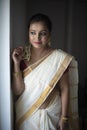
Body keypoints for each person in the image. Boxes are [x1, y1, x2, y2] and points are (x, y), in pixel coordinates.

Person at [12, 13, 79, 130]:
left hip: (52, 115)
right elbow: (18, 91)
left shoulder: (59, 59)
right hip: (27, 116)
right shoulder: (23, 57)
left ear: (49, 35)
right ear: (28, 33)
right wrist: (16, 64)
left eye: (42, 33)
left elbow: (65, 88)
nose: (37, 38)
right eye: (33, 33)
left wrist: (64, 118)